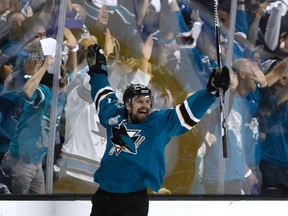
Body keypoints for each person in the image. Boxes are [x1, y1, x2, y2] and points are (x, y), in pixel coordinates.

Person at [85, 41, 230, 215]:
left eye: (148, 102)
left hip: (133, 200)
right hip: (104, 196)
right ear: (128, 105)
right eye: (139, 102)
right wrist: (97, 69)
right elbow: (103, 93)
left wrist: (210, 92)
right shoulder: (114, 114)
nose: (145, 106)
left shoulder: (158, 122)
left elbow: (186, 113)